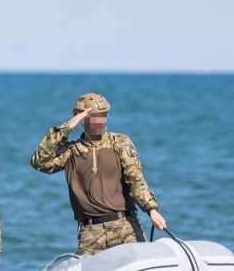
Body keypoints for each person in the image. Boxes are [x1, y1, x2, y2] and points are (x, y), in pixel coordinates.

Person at [30, 93, 166, 255]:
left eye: (104, 115)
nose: (102, 121)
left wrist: (151, 209)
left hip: (126, 226)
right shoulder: (71, 152)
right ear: (81, 118)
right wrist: (67, 127)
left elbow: (135, 180)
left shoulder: (120, 143)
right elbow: (39, 161)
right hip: (91, 233)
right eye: (96, 116)